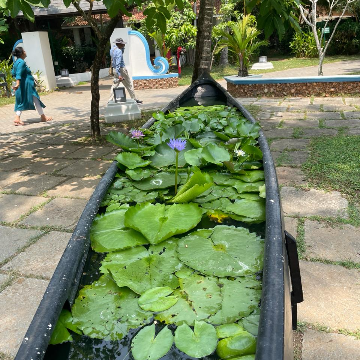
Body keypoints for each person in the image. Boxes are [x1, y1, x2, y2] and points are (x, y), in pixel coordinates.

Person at [11, 47, 52, 126]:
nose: (25, 52)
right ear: (22, 53)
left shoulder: (16, 62)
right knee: (31, 99)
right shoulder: (21, 62)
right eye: (24, 51)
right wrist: (18, 83)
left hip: (25, 84)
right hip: (26, 85)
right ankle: (17, 118)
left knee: (33, 99)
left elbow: (13, 72)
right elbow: (18, 73)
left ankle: (42, 116)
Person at [109, 38, 142, 104]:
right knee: (128, 84)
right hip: (120, 69)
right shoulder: (119, 51)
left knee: (114, 85)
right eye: (122, 44)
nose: (124, 45)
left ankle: (110, 100)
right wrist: (119, 75)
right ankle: (134, 99)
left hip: (115, 69)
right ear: (119, 44)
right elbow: (118, 63)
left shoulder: (112, 49)